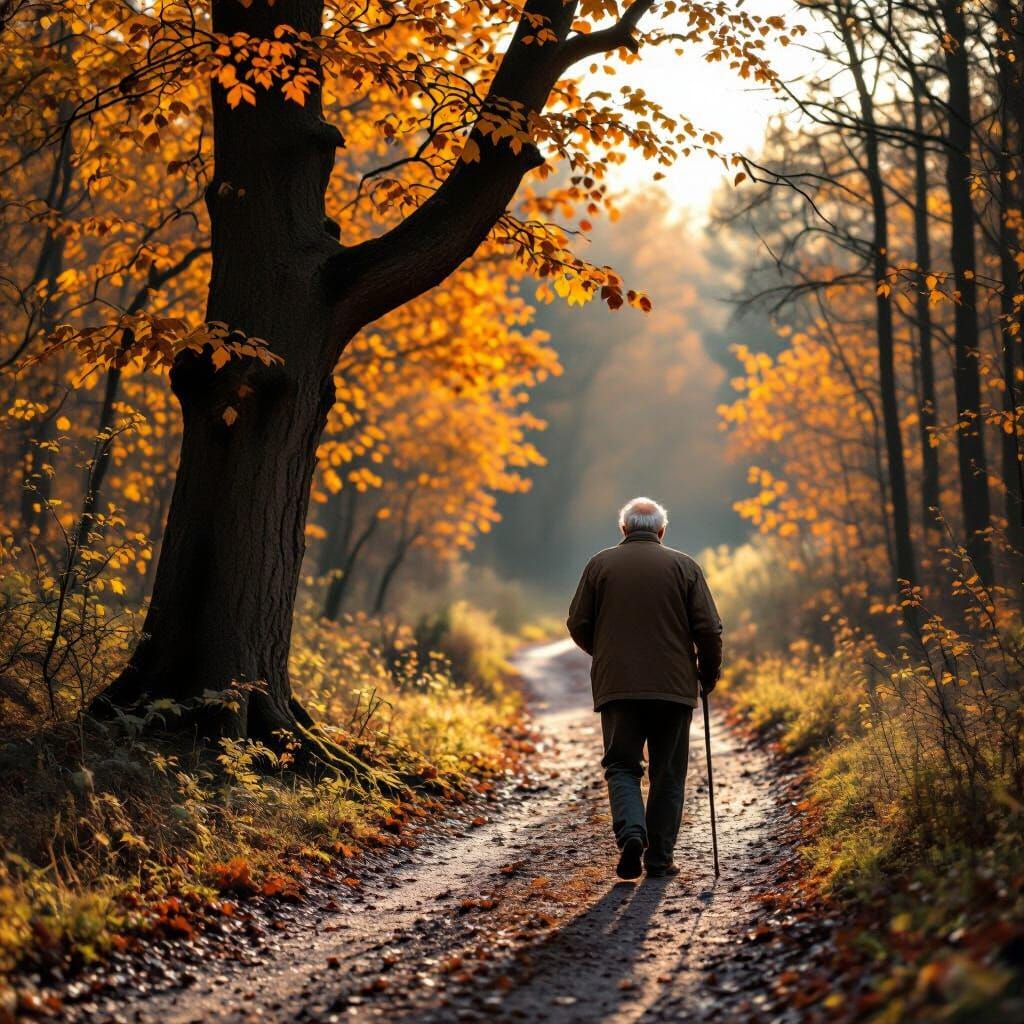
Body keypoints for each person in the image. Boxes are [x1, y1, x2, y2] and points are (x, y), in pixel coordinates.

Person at [566, 497, 723, 880]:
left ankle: (632, 834)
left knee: (622, 765)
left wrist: (604, 654)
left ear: (624, 529)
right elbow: (709, 629)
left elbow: (577, 622)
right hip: (673, 688)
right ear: (661, 531)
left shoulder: (599, 565)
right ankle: (658, 860)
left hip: (618, 686)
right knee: (668, 772)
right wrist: (708, 672)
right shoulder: (685, 566)